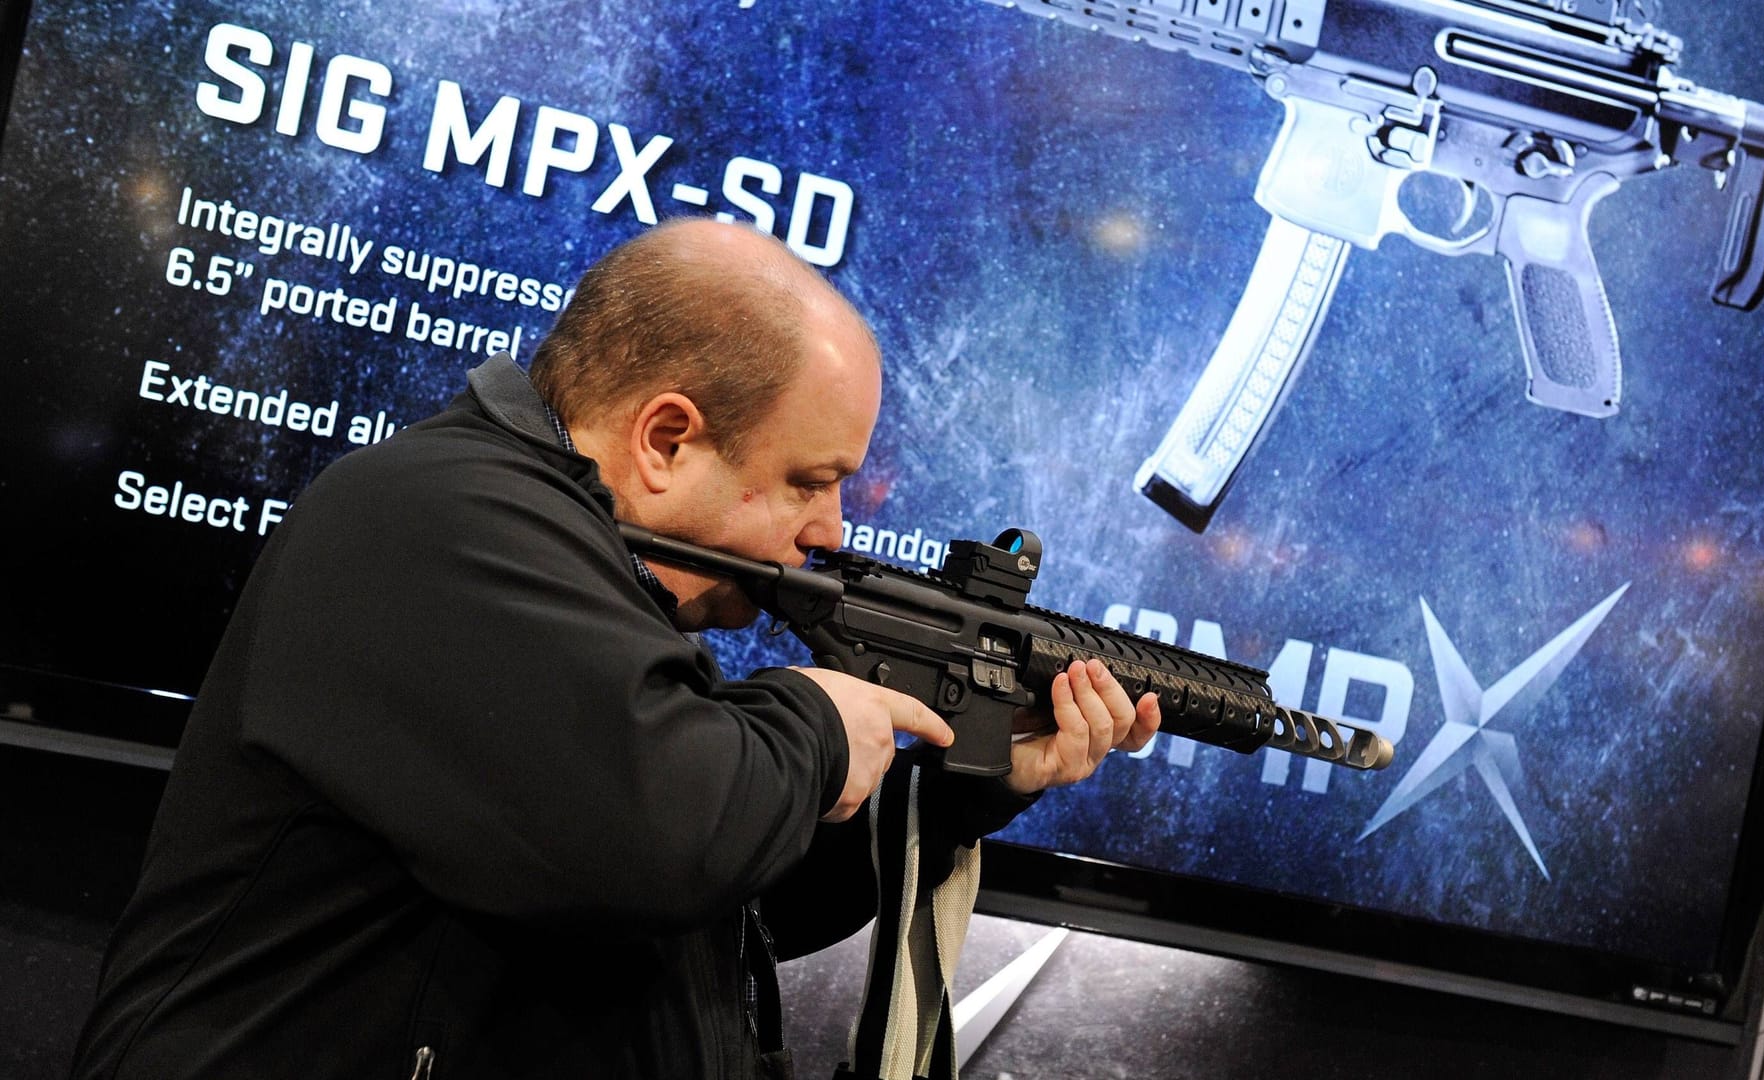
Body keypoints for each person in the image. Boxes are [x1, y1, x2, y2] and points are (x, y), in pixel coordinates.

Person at [70, 218, 1160, 1079]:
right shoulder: (445, 517)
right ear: (666, 439)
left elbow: (726, 904)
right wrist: (816, 722)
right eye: (807, 481)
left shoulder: (597, 588)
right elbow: (666, 834)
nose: (830, 532)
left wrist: (961, 787)